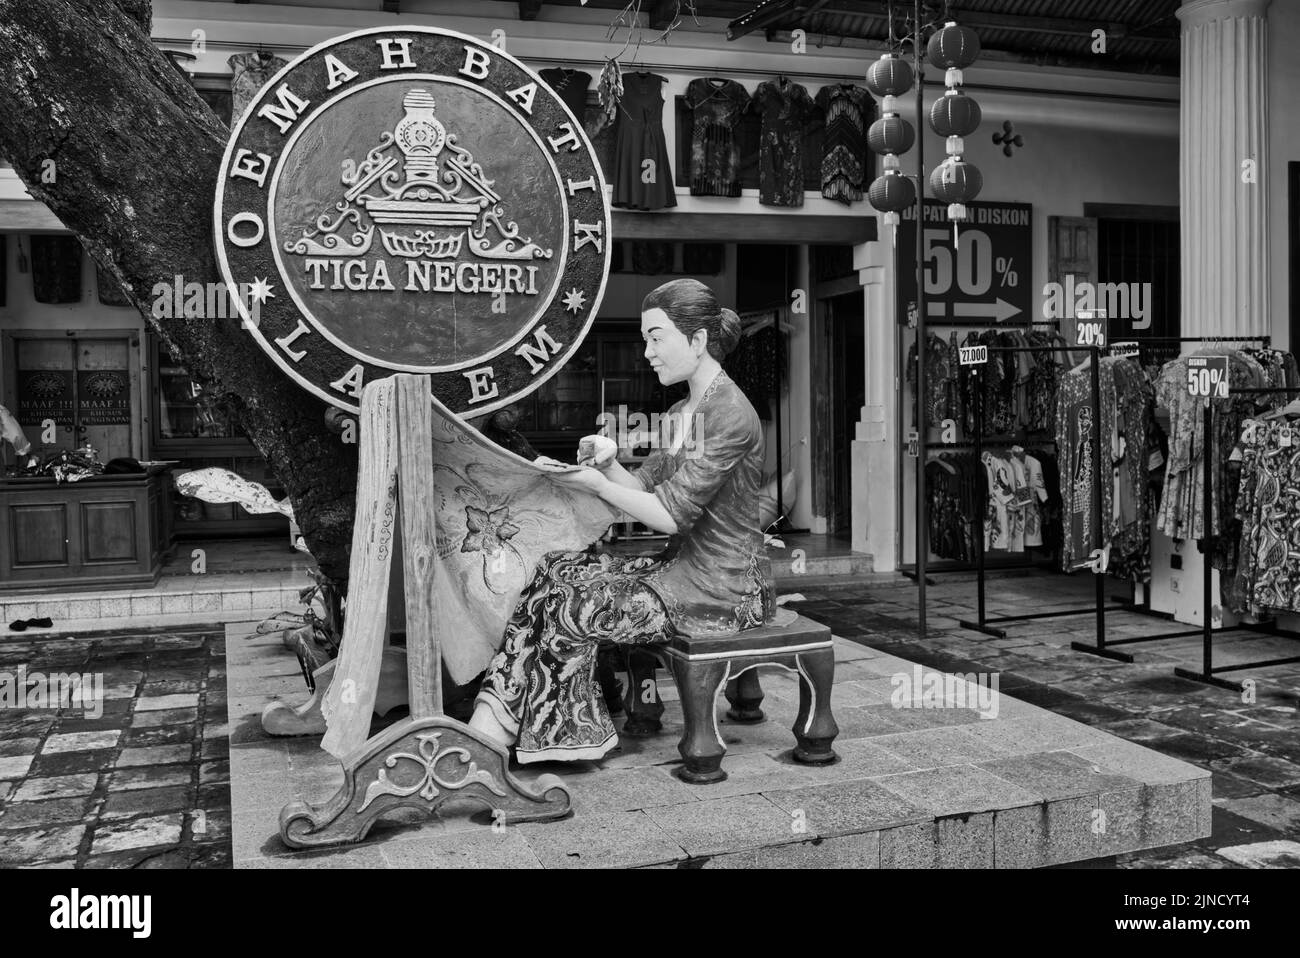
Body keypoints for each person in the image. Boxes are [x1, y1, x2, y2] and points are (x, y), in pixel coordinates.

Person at [467, 278, 775, 761]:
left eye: (656, 337)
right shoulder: (680, 411)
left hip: (725, 586)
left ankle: (552, 737)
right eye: (645, 338)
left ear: (696, 341)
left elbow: (671, 515)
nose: (647, 352)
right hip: (681, 572)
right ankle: (498, 721)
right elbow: (648, 489)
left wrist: (599, 485)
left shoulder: (730, 413)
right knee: (556, 569)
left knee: (576, 600)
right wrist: (608, 465)